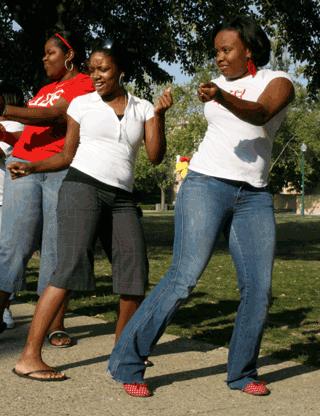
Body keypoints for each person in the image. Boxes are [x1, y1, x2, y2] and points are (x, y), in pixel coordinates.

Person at [107, 15, 295, 397]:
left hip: (255, 195)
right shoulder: (220, 86)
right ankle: (127, 361)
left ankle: (242, 372)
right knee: (183, 277)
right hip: (206, 184)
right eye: (216, 52)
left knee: (259, 289)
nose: (220, 58)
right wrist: (220, 94)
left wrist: (223, 97)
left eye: (226, 50)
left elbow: (260, 114)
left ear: (249, 48)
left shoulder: (275, 82)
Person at [9, 39, 173, 381]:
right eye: (93, 69)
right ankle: (29, 356)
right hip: (82, 188)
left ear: (120, 71)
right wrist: (33, 168)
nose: (96, 75)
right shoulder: (80, 104)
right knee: (68, 268)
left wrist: (159, 117)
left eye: (104, 69)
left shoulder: (142, 107)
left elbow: (156, 156)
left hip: (122, 199)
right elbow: (67, 156)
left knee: (134, 274)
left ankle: (123, 352)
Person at [0, 31, 94, 344]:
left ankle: (54, 323)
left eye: (50, 52)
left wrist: (5, 109)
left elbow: (55, 115)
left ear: (69, 55)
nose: (44, 58)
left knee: (56, 246)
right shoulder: (42, 89)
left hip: (58, 168)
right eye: (43, 53)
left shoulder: (83, 83)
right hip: (23, 165)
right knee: (14, 243)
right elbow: (33, 123)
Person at [0, 82, 25, 329]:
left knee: (6, 258)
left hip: (4, 199)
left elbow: (5, 154)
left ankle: (6, 310)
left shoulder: (15, 126)